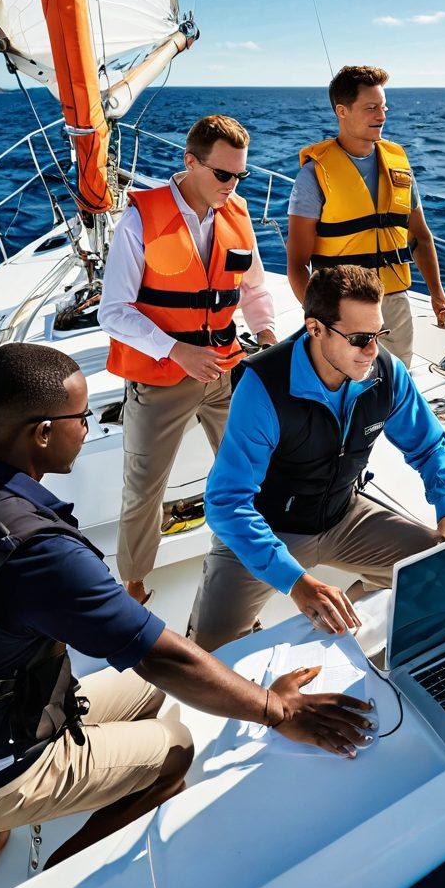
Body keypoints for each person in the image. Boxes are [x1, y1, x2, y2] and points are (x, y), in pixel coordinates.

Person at [0, 343, 373, 880]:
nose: (88, 428)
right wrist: (277, 710)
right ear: (43, 432)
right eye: (81, 417)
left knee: (150, 695)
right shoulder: (39, 555)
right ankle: (59, 868)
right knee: (177, 750)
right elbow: (166, 659)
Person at [189, 264, 445, 651]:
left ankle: (352, 610)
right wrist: (295, 582)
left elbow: (429, 446)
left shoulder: (386, 372)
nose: (372, 351)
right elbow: (226, 503)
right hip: (268, 528)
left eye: (378, 334)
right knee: (207, 657)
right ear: (315, 329)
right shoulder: (264, 387)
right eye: (359, 339)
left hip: (345, 516)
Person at [100, 115, 277, 605]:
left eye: (241, 174)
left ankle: (249, 568)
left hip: (224, 371)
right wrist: (177, 350)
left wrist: (266, 335)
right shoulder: (139, 220)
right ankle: (133, 585)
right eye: (223, 174)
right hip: (160, 379)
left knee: (250, 472)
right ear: (190, 162)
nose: (232, 185)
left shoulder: (237, 214)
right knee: (144, 488)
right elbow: (112, 311)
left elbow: (254, 289)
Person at [286, 65, 445, 368]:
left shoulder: (398, 164)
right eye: (371, 108)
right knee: (346, 386)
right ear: (342, 111)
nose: (381, 116)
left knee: (398, 381)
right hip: (340, 307)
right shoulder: (313, 175)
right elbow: (297, 262)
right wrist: (319, 317)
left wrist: (437, 293)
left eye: (383, 107)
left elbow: (420, 236)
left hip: (394, 302)